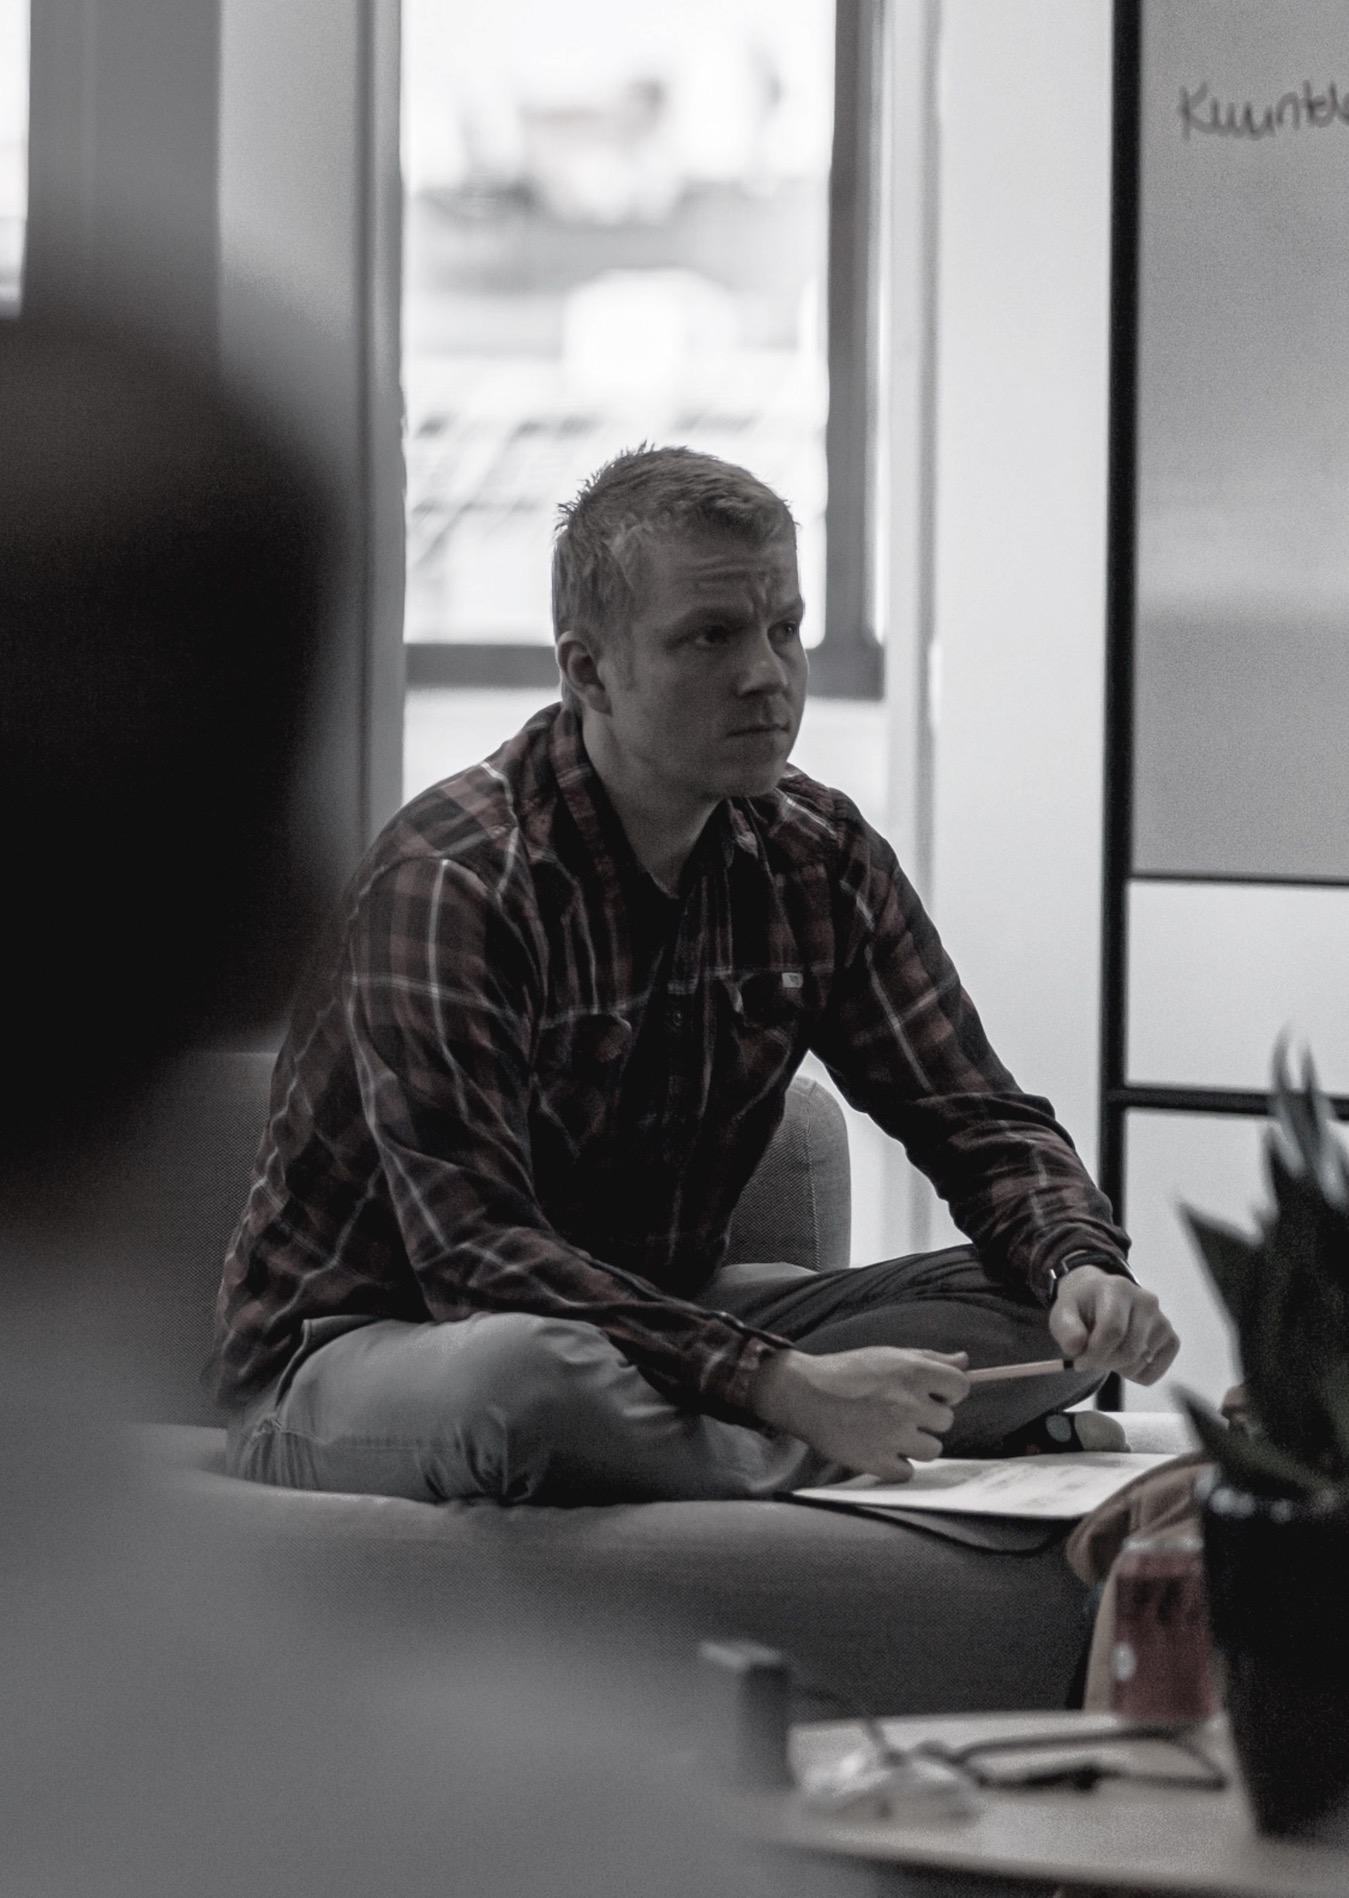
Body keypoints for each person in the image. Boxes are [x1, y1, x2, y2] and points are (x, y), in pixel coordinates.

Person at [214, 446, 1179, 1504]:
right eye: (710, 636)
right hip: (386, 1347)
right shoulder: (456, 876)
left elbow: (977, 1116)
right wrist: (773, 1379)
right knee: (523, 1380)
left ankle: (754, 1438)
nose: (766, 673)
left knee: (1043, 1325)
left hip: (665, 1322)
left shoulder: (817, 853)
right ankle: (823, 1448)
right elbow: (474, 1255)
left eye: (784, 628)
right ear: (587, 670)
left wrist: (1079, 1264)